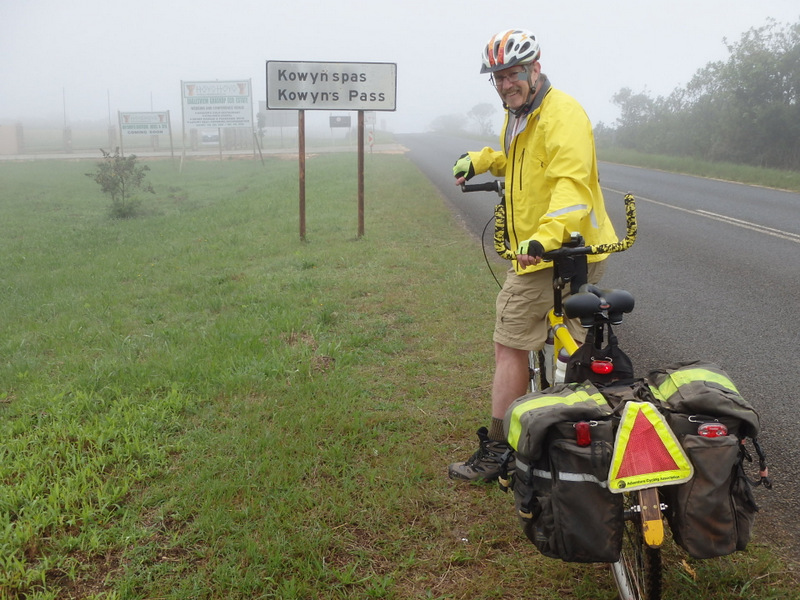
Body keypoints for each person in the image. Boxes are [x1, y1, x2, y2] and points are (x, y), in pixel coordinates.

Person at [448, 29, 619, 482]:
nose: (506, 84)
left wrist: (543, 237)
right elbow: (518, 161)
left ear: (535, 69)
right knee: (576, 344)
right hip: (571, 247)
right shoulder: (520, 114)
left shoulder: (562, 114)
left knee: (509, 344)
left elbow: (571, 183)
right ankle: (585, 441)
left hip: (549, 253)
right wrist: (482, 159)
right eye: (498, 77)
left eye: (514, 74)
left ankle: (500, 453)